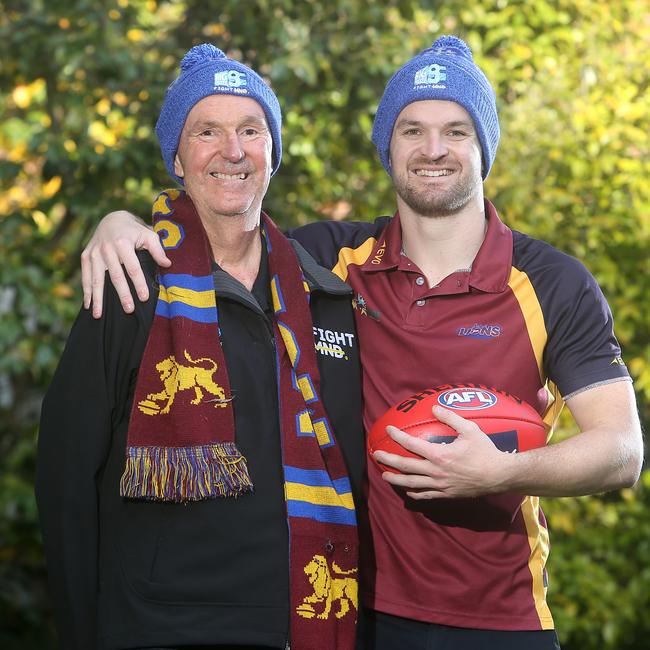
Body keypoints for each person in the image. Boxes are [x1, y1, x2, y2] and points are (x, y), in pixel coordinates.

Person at [78, 36, 644, 650]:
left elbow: (621, 450)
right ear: (387, 148)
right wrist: (121, 224)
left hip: (499, 620)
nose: (433, 149)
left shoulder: (553, 283)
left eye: (456, 131)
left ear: (484, 148)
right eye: (411, 130)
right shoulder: (326, 263)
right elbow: (220, 232)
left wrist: (501, 471)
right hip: (351, 613)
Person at [36, 43, 366, 650]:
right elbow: (65, 480)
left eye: (251, 130)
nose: (233, 151)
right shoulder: (129, 285)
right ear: (179, 158)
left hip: (307, 623)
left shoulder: (324, 295)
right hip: (158, 628)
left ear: (273, 152)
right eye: (206, 131)